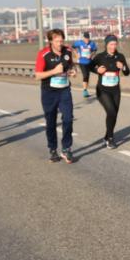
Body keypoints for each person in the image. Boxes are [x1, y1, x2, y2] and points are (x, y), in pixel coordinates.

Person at [35, 28, 77, 163]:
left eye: (61, 40)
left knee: (68, 118)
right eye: (57, 41)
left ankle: (66, 148)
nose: (60, 44)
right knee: (51, 122)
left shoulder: (68, 51)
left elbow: (71, 66)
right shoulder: (43, 54)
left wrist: (73, 71)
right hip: (49, 92)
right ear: (51, 41)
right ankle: (53, 149)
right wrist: (53, 71)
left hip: (64, 90)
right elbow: (37, 76)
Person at [89, 34, 130, 149]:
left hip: (115, 90)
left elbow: (127, 72)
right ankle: (111, 139)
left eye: (115, 44)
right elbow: (90, 66)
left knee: (114, 114)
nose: (113, 46)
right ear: (106, 45)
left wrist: (123, 67)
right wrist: (97, 69)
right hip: (102, 90)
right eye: (111, 44)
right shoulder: (100, 57)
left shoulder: (120, 56)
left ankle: (107, 136)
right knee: (111, 111)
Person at [73, 31, 98, 99]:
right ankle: (85, 90)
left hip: (90, 62)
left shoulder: (92, 43)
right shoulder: (79, 42)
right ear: (83, 38)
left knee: (99, 72)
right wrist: (76, 54)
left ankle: (101, 88)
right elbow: (73, 47)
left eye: (88, 39)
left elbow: (95, 50)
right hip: (82, 62)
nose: (87, 40)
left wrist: (91, 54)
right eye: (86, 39)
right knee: (85, 75)